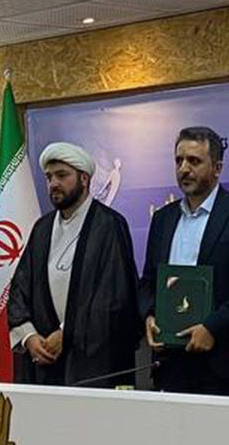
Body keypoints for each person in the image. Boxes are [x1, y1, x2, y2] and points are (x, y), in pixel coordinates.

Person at [137, 126, 229, 395]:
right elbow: (148, 281)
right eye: (179, 161)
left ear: (217, 168)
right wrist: (150, 315)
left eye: (194, 161)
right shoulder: (163, 218)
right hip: (171, 361)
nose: (184, 169)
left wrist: (213, 328)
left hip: (228, 361)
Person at [9, 141, 141, 387]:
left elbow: (115, 299)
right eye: (49, 177)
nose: (53, 184)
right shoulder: (42, 229)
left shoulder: (109, 225)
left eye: (62, 175)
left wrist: (67, 333)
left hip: (93, 364)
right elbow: (19, 289)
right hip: (44, 361)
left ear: (84, 179)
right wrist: (29, 337)